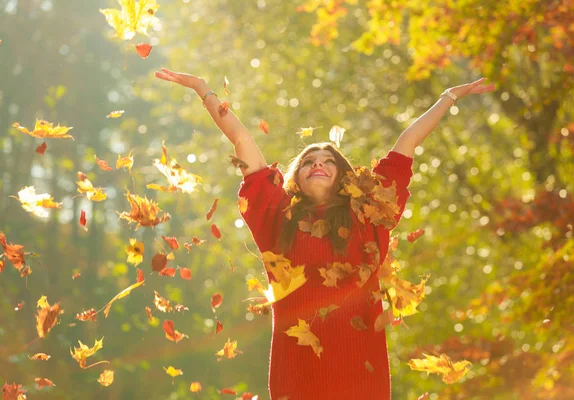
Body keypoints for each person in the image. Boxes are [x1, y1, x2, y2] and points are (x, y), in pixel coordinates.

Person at [155, 68, 495, 399]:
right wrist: (202, 89)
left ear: (344, 175)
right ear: (296, 177)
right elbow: (242, 139)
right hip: (297, 375)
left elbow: (407, 142)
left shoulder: (369, 212)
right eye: (308, 161)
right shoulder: (275, 216)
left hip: (362, 376)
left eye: (328, 160)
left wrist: (448, 97)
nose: (317, 163)